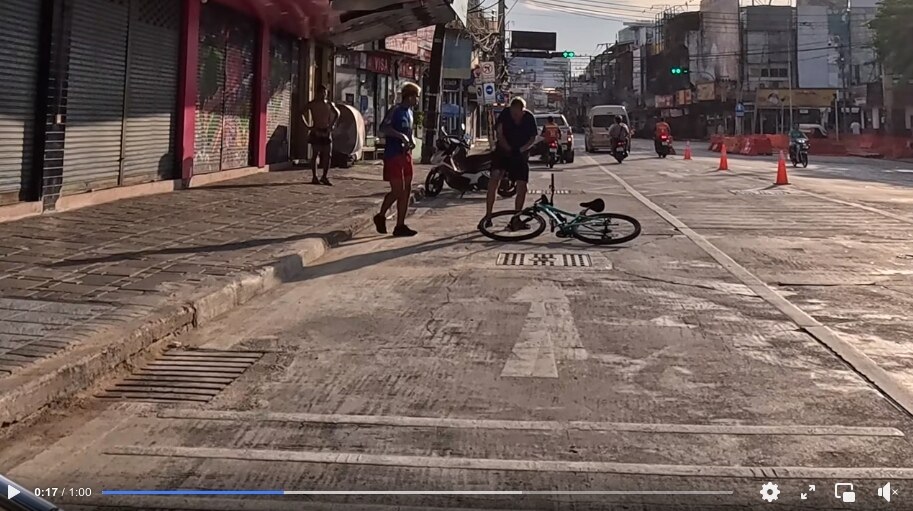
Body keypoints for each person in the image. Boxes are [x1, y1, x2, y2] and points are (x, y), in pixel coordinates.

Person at [481, 97, 538, 230]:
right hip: (503, 152)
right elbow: (499, 133)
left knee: (522, 186)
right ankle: (488, 215)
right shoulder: (505, 114)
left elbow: (532, 138)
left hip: (520, 154)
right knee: (494, 179)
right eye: (513, 113)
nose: (514, 116)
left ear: (523, 111)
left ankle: (516, 218)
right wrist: (507, 148)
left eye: (517, 114)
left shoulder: (529, 118)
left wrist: (521, 150)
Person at [373, 82, 421, 237]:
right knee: (397, 189)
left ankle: (400, 224)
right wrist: (400, 136)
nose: (418, 100)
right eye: (417, 97)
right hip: (393, 153)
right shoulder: (395, 110)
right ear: (410, 96)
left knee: (406, 190)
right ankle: (381, 215)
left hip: (405, 154)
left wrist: (411, 139)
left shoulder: (410, 113)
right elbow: (383, 128)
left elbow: (409, 131)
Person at [302, 85, 340, 185]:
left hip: (326, 131)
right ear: (318, 93)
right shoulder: (313, 104)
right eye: (322, 93)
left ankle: (324, 176)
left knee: (328, 154)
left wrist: (332, 125)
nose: (323, 95)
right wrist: (308, 126)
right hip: (316, 130)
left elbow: (337, 113)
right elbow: (301, 113)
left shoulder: (329, 104)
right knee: (315, 154)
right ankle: (314, 176)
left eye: (325, 93)